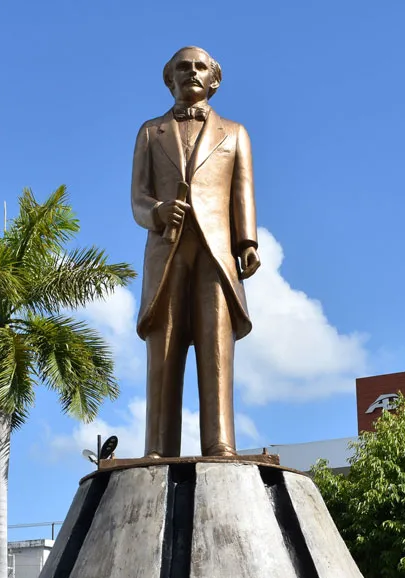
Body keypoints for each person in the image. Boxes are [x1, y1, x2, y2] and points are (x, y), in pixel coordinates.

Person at [131, 45, 261, 458]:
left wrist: (248, 243)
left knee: (215, 344)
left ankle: (219, 440)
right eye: (183, 68)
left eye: (200, 67)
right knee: (164, 349)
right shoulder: (151, 132)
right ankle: (158, 444)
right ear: (169, 78)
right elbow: (137, 198)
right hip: (166, 249)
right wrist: (157, 210)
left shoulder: (235, 133)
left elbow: (243, 192)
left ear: (214, 80)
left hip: (216, 253)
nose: (192, 72)